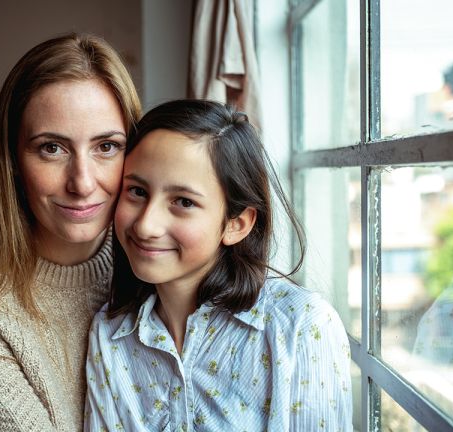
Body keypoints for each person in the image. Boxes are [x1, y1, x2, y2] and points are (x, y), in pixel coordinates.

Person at [0, 33, 141, 431]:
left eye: (106, 146)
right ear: (13, 160)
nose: (83, 183)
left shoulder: (158, 267)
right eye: (52, 148)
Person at [85, 100, 353, 431]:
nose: (146, 225)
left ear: (236, 224)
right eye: (137, 191)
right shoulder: (109, 334)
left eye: (183, 202)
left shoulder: (301, 327)